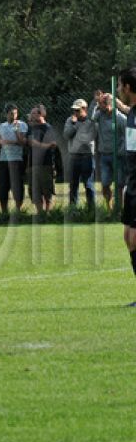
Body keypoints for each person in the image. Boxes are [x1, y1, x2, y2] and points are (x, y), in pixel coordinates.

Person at [115, 67, 136, 298]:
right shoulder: (132, 113)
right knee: (129, 238)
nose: (119, 89)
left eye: (120, 85)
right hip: (132, 183)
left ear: (128, 87)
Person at [91, 91, 127, 211]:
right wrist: (97, 105)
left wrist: (122, 150)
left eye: (101, 104)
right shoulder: (99, 115)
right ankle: (109, 207)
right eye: (98, 104)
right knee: (105, 184)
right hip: (104, 156)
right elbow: (92, 118)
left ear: (109, 105)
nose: (99, 106)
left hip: (118, 157)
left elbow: (128, 134)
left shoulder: (119, 118)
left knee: (119, 184)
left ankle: (120, 209)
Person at [0, 103, 28, 214]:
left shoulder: (22, 125)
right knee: (2, 186)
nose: (14, 115)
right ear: (6, 114)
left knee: (17, 186)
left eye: (16, 113)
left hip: (16, 160)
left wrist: (15, 134)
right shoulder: (1, 126)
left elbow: (22, 142)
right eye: (11, 113)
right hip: (3, 160)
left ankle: (18, 211)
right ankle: (4, 212)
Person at [64, 98, 98, 209]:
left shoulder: (91, 121)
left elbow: (88, 138)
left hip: (87, 156)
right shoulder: (70, 120)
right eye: (74, 110)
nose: (75, 113)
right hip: (74, 157)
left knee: (88, 184)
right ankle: (73, 209)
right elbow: (67, 135)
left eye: (78, 110)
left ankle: (91, 209)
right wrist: (74, 125)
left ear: (85, 109)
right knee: (73, 184)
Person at [26, 105, 57, 215]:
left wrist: (38, 144)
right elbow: (30, 142)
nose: (31, 115)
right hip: (32, 164)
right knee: (34, 190)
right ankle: (40, 213)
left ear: (41, 114)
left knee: (47, 190)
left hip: (46, 164)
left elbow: (53, 144)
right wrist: (44, 145)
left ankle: (47, 213)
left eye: (34, 113)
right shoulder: (30, 128)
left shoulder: (48, 128)